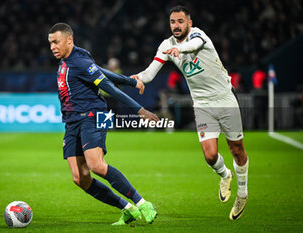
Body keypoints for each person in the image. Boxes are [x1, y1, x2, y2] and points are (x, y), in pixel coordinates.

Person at [131, 6, 249, 220]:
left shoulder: (198, 35)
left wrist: (181, 50)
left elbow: (194, 44)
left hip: (225, 98)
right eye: (173, 22)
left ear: (189, 23)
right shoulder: (166, 45)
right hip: (202, 104)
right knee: (210, 155)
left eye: (180, 21)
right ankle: (225, 175)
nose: (176, 25)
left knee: (237, 149)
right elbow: (149, 73)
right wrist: (135, 78)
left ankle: (242, 193)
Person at [48, 23, 158, 226]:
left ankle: (142, 203)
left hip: (95, 114)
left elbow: (108, 87)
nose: (52, 47)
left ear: (69, 40)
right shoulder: (71, 58)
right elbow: (100, 71)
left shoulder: (79, 61)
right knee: (80, 178)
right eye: (50, 43)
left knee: (96, 165)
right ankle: (127, 209)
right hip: (72, 121)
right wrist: (130, 81)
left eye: (56, 42)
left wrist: (139, 110)